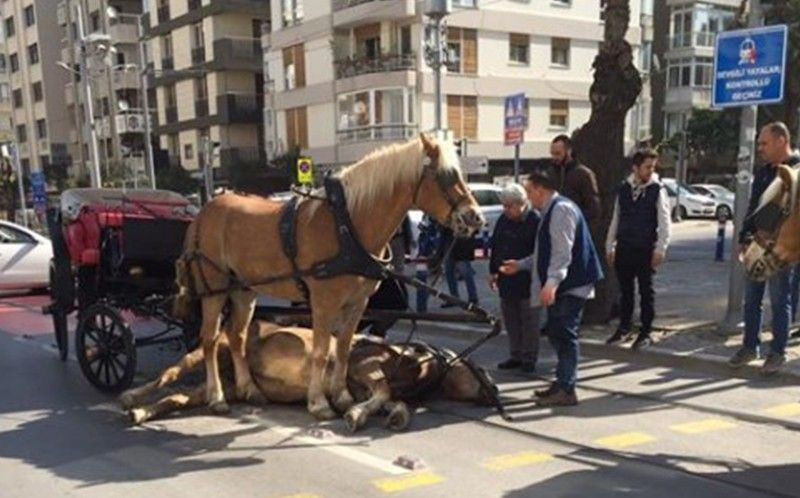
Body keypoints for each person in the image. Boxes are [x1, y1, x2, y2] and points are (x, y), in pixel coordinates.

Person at [500, 170, 603, 406]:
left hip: (571, 284)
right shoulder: (550, 211)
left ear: (540, 189)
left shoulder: (561, 210)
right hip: (564, 283)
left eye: (528, 191)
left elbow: (561, 252)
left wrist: (551, 283)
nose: (527, 197)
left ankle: (566, 389)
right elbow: (543, 252)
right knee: (557, 332)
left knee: (564, 334)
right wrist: (521, 265)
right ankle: (562, 382)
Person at [730, 122, 800, 374]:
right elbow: (753, 207)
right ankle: (750, 346)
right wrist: (743, 237)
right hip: (757, 245)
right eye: (758, 143)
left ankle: (777, 352)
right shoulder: (763, 172)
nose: (760, 148)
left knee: (781, 300)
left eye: (764, 143)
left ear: (782, 140)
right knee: (752, 299)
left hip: (782, 248)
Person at [604, 149, 671, 350]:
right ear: (636, 167)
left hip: (645, 247)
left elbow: (664, 221)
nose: (651, 170)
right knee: (625, 290)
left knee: (646, 290)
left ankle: (646, 330)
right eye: (647, 167)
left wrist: (660, 248)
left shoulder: (657, 190)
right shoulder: (624, 189)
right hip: (625, 246)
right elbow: (616, 218)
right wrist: (610, 245)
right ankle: (624, 327)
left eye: (653, 167)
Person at [489, 184, 540, 373]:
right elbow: (496, 245)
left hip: (527, 280)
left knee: (529, 321)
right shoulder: (503, 220)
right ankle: (515, 354)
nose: (506, 210)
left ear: (522, 204)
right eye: (504, 206)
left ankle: (529, 357)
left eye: (510, 206)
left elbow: (539, 253)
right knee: (511, 320)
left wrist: (521, 265)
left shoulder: (534, 220)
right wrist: (493, 271)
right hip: (506, 280)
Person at [548, 134, 601, 228]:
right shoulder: (551, 173)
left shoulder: (583, 174)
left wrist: (573, 220)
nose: (554, 157)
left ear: (568, 151)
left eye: (558, 153)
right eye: (552, 154)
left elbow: (593, 209)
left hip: (576, 228)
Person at [441, 228, 479, 306]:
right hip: (450, 241)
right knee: (449, 271)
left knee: (465, 271)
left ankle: (473, 298)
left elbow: (475, 227)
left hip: (462, 244)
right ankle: (454, 297)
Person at [415, 214, 442, 313]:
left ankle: (421, 307)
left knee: (423, 281)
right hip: (425, 254)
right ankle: (421, 307)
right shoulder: (428, 218)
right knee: (422, 280)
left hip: (427, 252)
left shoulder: (433, 221)